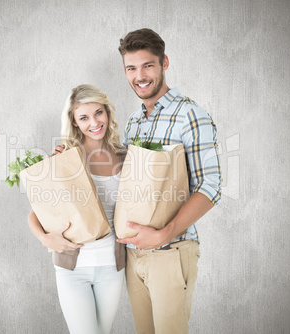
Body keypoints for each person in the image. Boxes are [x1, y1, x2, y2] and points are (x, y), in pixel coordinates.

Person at [115, 28, 222, 334]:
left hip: (171, 252)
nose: (140, 76)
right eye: (131, 68)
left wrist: (164, 234)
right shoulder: (135, 121)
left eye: (148, 65)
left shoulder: (190, 114)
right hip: (134, 256)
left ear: (164, 63)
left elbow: (210, 185)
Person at [28, 84, 127, 334]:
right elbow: (36, 211)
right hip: (73, 268)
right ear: (74, 122)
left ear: (107, 113)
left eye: (98, 113)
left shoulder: (126, 157)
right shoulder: (65, 157)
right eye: (84, 117)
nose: (94, 122)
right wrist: (45, 238)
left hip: (112, 267)